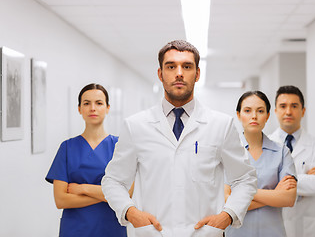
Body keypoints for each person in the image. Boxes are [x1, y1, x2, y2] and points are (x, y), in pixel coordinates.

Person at [101, 40, 257, 237]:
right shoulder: (136, 126)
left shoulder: (221, 125)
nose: (179, 73)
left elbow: (244, 178)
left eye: (187, 66)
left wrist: (228, 215)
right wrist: (131, 213)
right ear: (160, 74)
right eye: (171, 66)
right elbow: (113, 180)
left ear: (197, 74)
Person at [45, 83, 128, 237]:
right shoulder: (67, 148)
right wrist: (109, 196)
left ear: (108, 108)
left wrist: (83, 188)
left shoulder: (120, 146)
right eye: (86, 103)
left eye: (99, 103)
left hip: (110, 228)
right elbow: (61, 200)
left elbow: (127, 194)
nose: (92, 108)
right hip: (75, 229)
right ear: (79, 109)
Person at [225, 91, 297, 237]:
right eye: (247, 110)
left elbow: (289, 198)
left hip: (273, 232)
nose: (254, 116)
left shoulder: (282, 152)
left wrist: (241, 193)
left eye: (260, 111)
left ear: (267, 116)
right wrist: (275, 194)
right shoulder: (227, 151)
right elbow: (226, 201)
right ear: (238, 115)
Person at [269, 85, 315, 237]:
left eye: (294, 106)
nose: (288, 111)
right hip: (274, 222)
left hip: (307, 225)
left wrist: (281, 180)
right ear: (275, 111)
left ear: (303, 111)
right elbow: (261, 184)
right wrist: (304, 178)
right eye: (283, 106)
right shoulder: (265, 144)